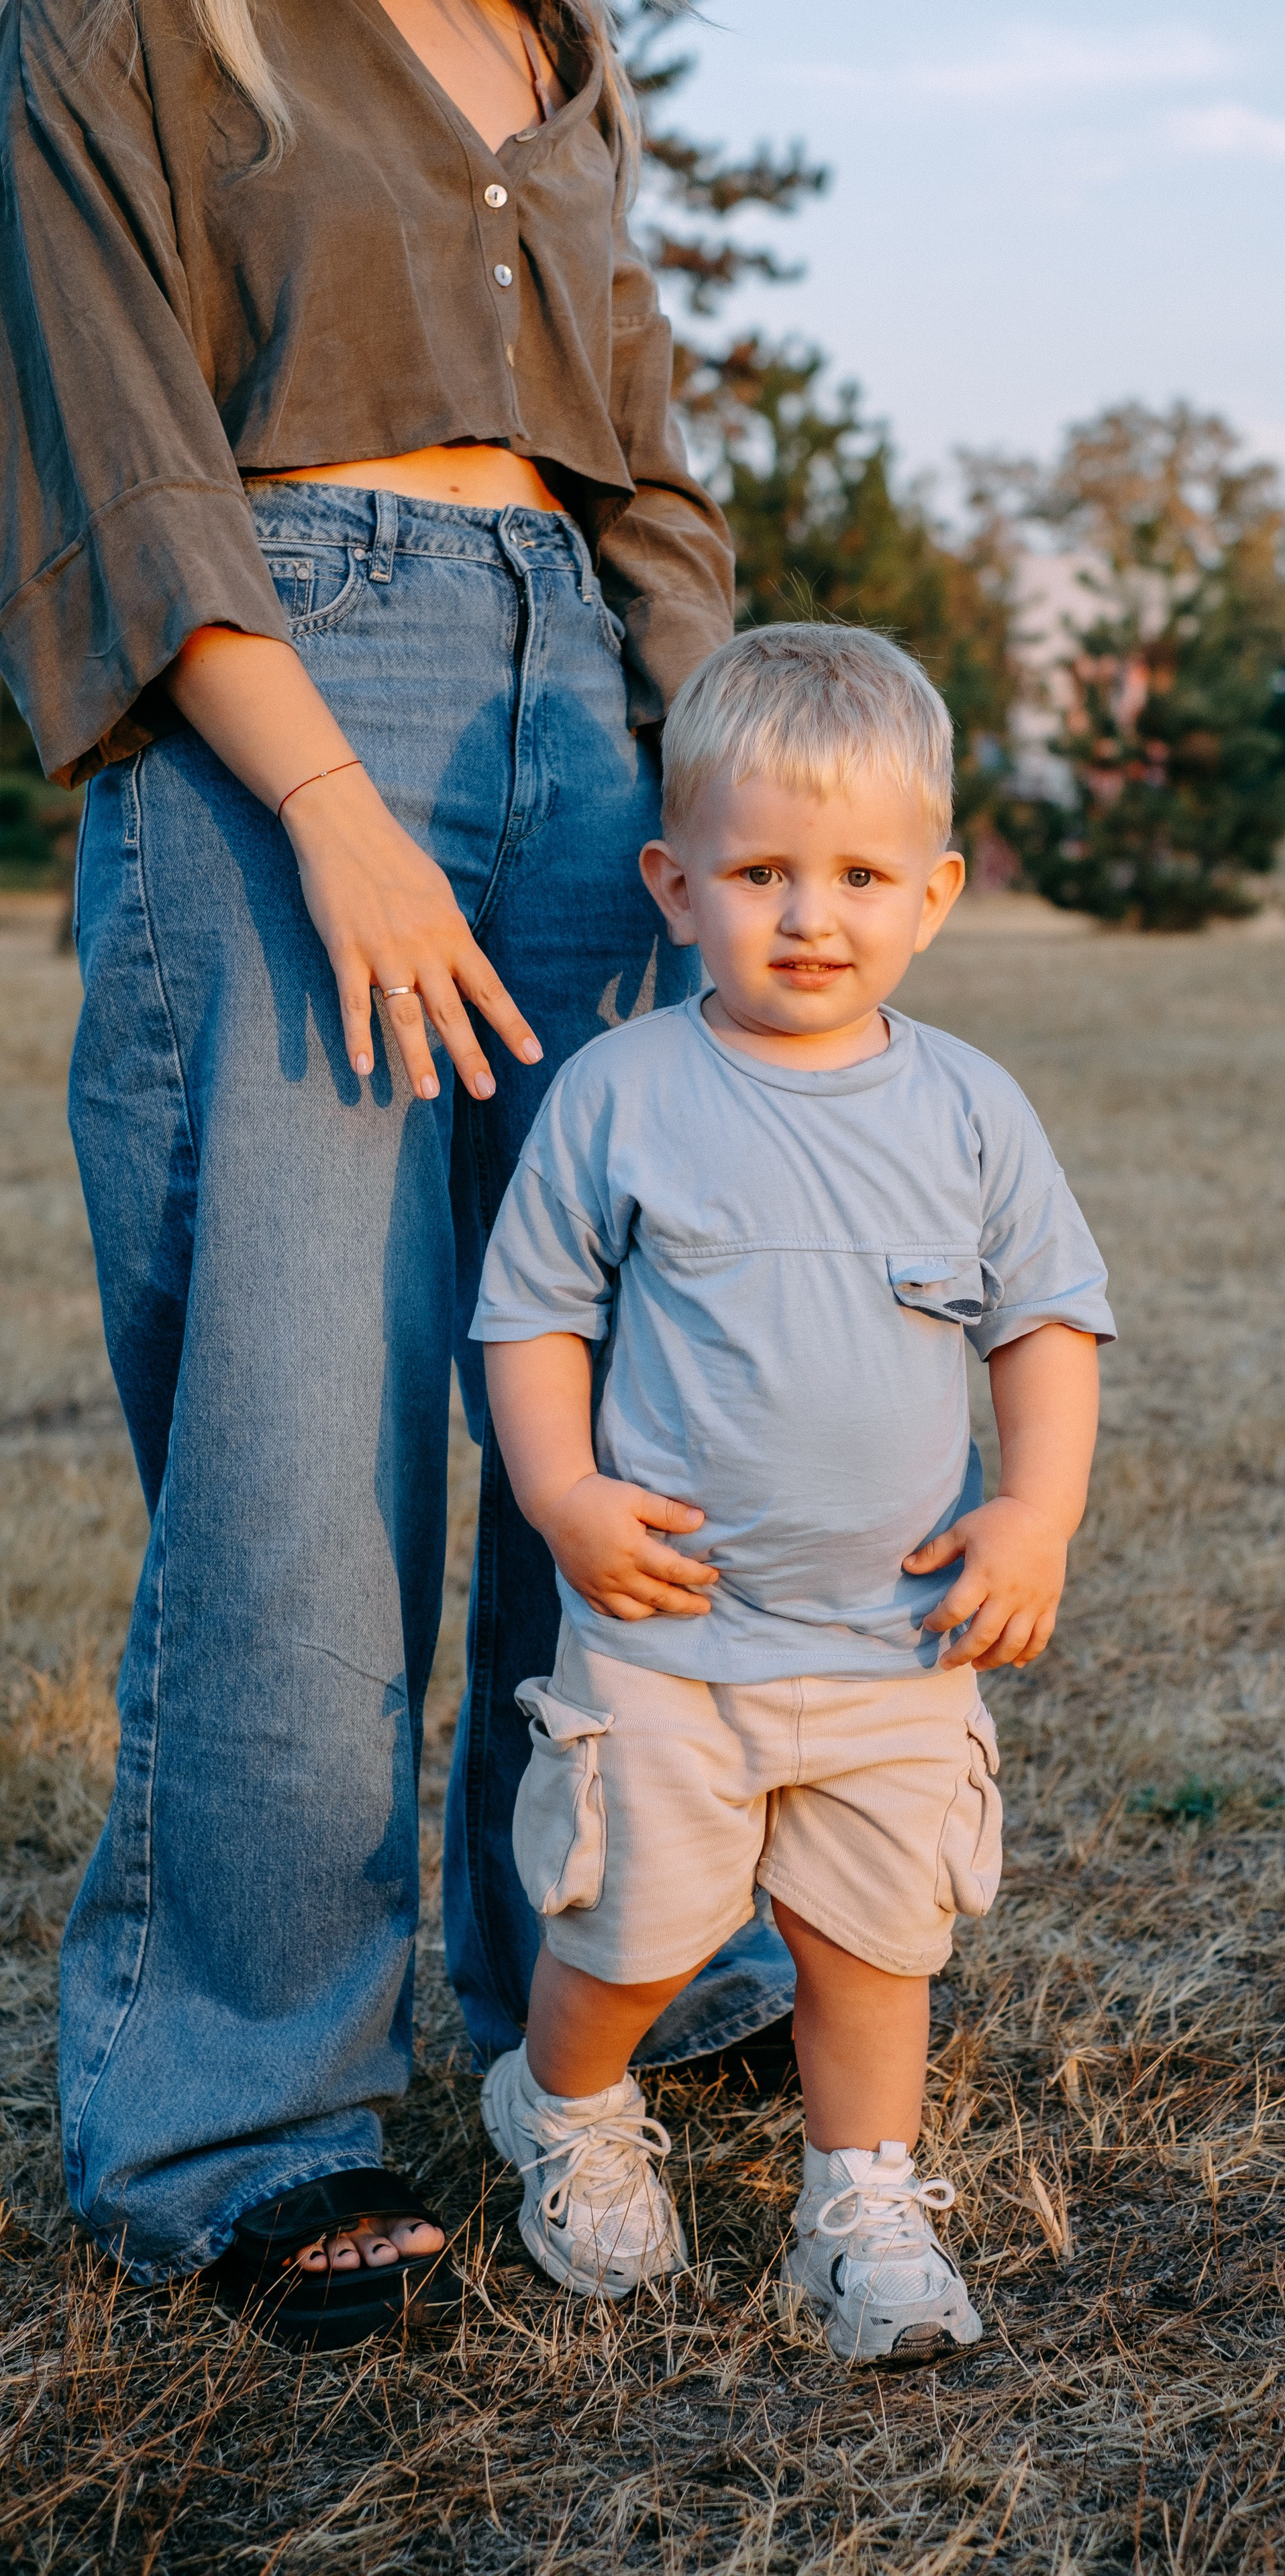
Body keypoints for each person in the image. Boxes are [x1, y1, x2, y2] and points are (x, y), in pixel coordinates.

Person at [0, 0, 791, 2346]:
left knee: (614, 1394)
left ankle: (608, 1952)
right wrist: (330, 804)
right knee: (300, 1437)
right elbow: (112, 435)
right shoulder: (131, 19)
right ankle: (241, 2117)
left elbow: (637, 452)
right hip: (284, 705)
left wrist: (709, 770)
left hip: (585, 710)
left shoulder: (555, 40)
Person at [471, 623, 1113, 2360]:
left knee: (873, 1944)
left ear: (937, 892)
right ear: (676, 886)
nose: (810, 913)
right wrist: (562, 1494)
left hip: (898, 1638)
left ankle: (863, 2202)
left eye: (856, 874)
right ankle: (569, 2103)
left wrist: (1034, 1511)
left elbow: (1048, 1320)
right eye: (761, 871)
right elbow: (530, 1316)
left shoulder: (971, 1111)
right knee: (632, 1933)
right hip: (671, 1637)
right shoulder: (622, 1095)